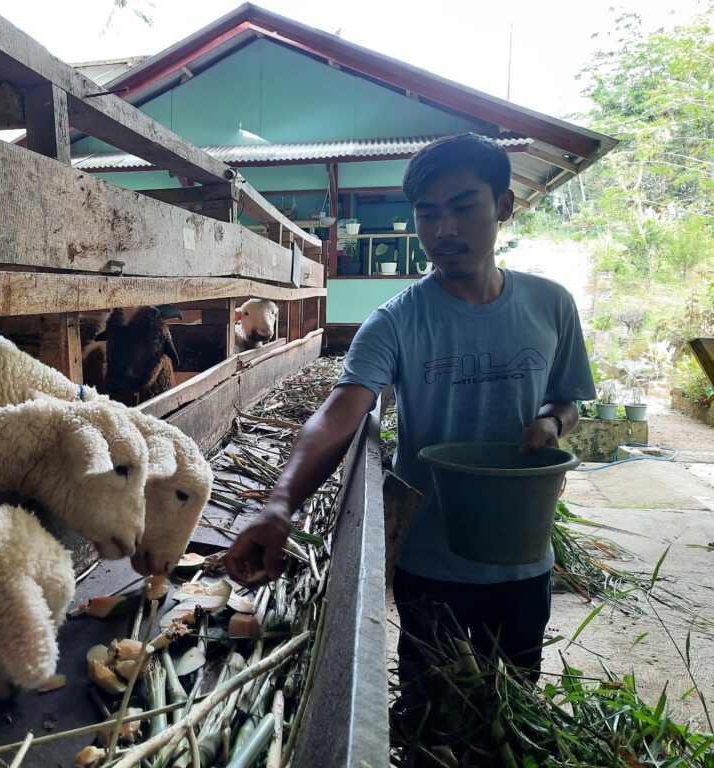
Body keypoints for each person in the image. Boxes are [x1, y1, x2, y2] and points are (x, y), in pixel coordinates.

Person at [224, 133, 595, 686]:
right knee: (428, 701)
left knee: (516, 691)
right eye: (428, 214)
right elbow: (337, 415)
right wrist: (280, 504)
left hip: (523, 550)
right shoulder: (396, 321)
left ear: (503, 206)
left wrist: (552, 420)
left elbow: (568, 399)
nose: (444, 229)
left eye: (463, 208)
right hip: (430, 558)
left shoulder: (551, 304)